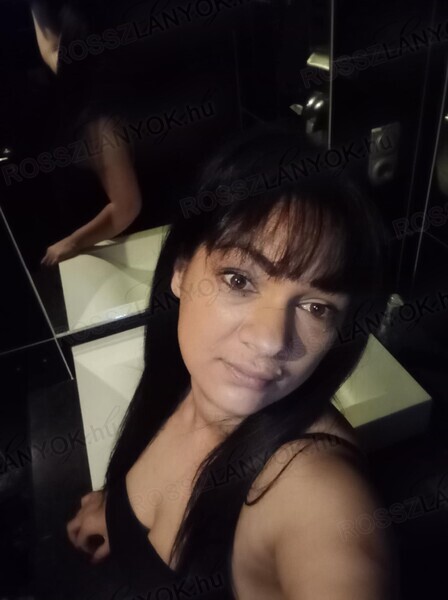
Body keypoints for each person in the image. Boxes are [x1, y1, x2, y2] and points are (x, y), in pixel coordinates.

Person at [66, 123, 401, 599]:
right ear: (181, 272)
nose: (269, 341)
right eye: (239, 280)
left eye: (316, 307)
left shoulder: (316, 492)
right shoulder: (188, 375)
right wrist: (118, 510)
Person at [30, 0, 142, 266]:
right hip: (98, 249)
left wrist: (71, 243)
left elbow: (126, 207)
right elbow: (51, 50)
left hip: (112, 252)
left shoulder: (102, 120)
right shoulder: (82, 84)